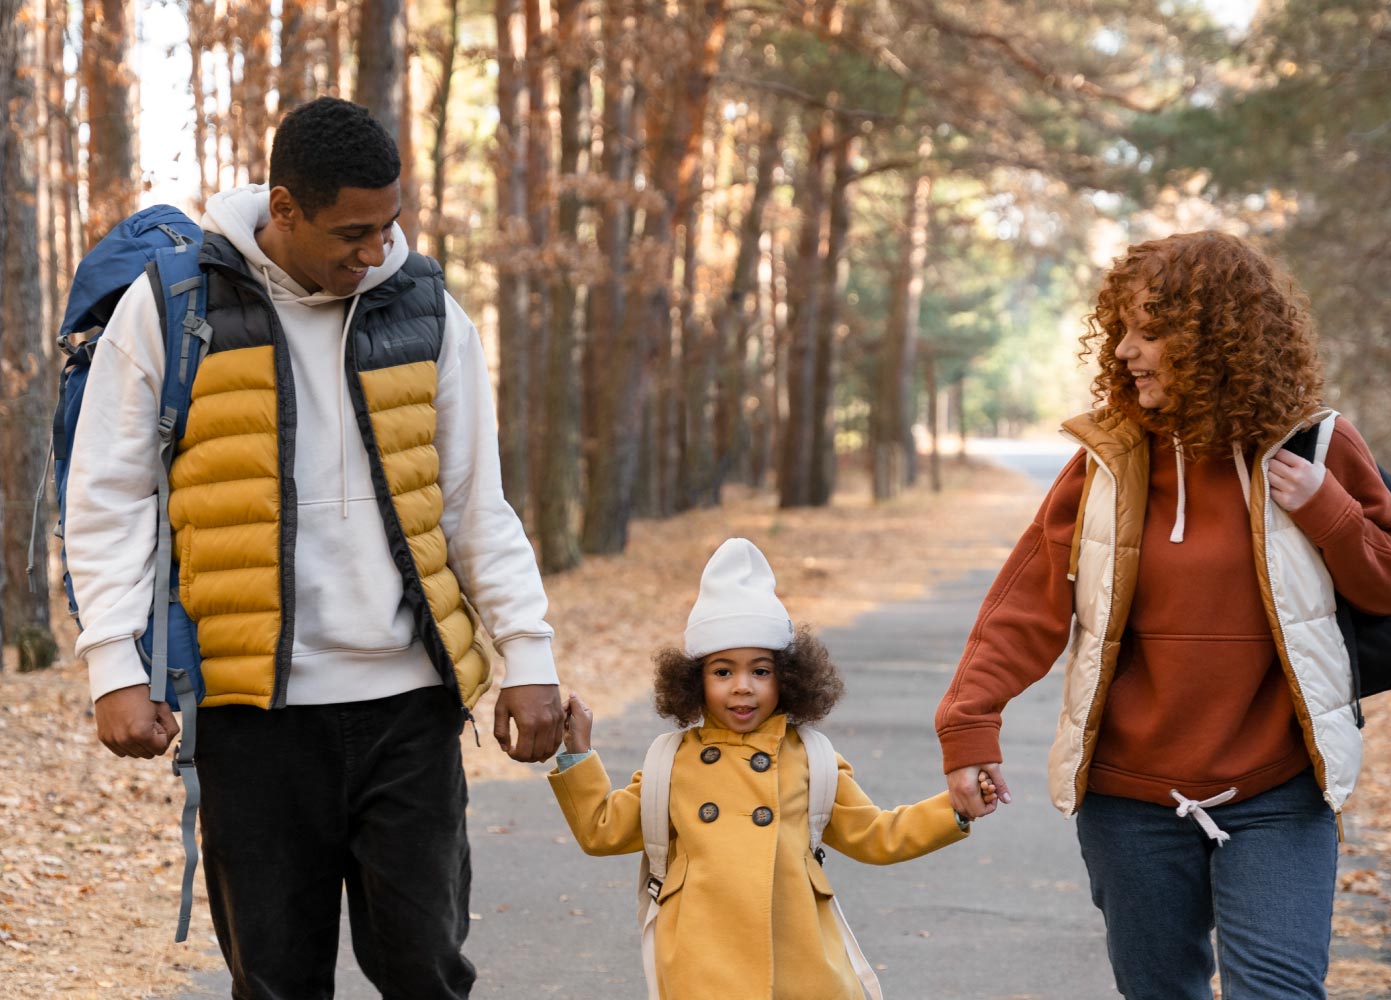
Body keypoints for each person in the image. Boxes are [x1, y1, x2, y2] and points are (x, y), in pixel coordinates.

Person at [65, 97, 563, 999]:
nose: (375, 252)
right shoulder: (174, 306)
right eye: (353, 232)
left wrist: (528, 654)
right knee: (277, 981)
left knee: (426, 973)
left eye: (390, 226)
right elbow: (107, 498)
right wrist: (113, 666)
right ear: (284, 208)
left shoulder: (426, 310)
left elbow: (474, 505)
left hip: (410, 706)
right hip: (252, 716)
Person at [936, 231, 1391, 1000]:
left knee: (1279, 990)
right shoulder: (1108, 462)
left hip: (1279, 787)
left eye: (1153, 331)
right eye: (1123, 329)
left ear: (1219, 336)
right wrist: (969, 725)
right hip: (1128, 798)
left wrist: (1329, 512)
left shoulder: (1315, 447)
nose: (1127, 350)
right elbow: (1025, 605)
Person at [549, 537, 983, 999]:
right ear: (694, 680)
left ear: (788, 677)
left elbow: (876, 835)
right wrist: (579, 755)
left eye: (760, 671)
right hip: (701, 968)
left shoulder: (812, 759)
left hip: (802, 966)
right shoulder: (671, 763)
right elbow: (602, 831)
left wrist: (954, 808)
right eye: (722, 672)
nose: (742, 688)